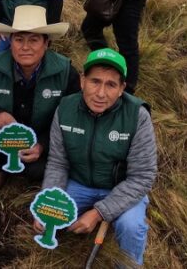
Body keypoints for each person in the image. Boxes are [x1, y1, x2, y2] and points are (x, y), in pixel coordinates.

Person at [36, 48, 157, 266]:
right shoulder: (65, 108)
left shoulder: (138, 116)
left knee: (131, 227)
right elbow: (58, 163)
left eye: (111, 85)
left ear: (121, 89)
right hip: (79, 182)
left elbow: (142, 176)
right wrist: (48, 200)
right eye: (95, 81)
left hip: (121, 186)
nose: (101, 93)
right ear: (82, 81)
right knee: (49, 218)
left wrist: (99, 213)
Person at [0, 5, 79, 194]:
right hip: (6, 136)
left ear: (46, 43)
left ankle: (28, 167)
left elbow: (72, 120)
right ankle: (0, 167)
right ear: (11, 42)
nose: (25, 47)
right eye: (19, 40)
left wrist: (42, 145)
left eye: (34, 40)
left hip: (43, 136)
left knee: (36, 171)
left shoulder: (66, 72)